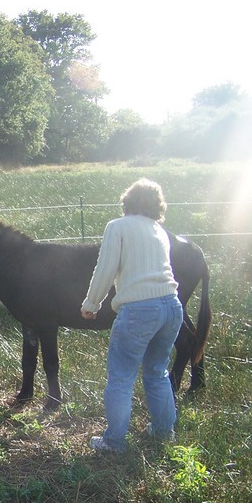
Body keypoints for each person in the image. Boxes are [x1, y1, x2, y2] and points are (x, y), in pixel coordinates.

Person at [81, 178, 183, 453]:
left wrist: (92, 304)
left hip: (139, 309)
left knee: (121, 377)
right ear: (156, 205)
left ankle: (114, 442)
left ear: (127, 201)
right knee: (157, 372)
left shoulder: (118, 227)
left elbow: (105, 269)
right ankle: (164, 432)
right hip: (172, 307)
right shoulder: (159, 230)